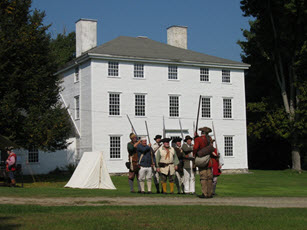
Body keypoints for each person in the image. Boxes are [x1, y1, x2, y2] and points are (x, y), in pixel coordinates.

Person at [193, 127, 214, 198]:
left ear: (201, 132)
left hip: (202, 160)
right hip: (209, 161)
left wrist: (195, 155)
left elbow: (195, 148)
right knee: (209, 177)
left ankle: (205, 193)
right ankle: (210, 193)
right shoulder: (209, 139)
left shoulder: (198, 139)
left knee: (203, 178)